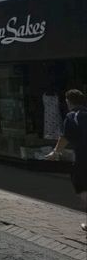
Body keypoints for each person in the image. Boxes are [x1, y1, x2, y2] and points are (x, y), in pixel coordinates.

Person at [46, 89, 87, 232]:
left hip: (83, 157)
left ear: (69, 102)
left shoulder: (72, 116)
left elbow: (65, 137)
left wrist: (55, 152)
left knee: (80, 186)